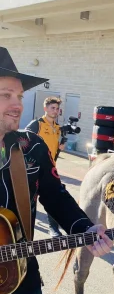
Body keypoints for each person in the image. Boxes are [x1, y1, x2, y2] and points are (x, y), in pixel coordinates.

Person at [0, 47, 113, 294]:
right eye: (6, 96)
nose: (17, 104)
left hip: (22, 287)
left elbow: (57, 198)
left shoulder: (31, 147)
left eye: (19, 95)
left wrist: (85, 228)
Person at [26, 96, 64, 237]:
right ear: (45, 109)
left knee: (52, 198)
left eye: (57, 108)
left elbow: (53, 151)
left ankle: (53, 229)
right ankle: (24, 228)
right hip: (33, 168)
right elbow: (24, 142)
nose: (55, 111)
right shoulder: (37, 124)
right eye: (52, 108)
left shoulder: (57, 128)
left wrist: (60, 148)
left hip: (50, 169)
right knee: (30, 200)